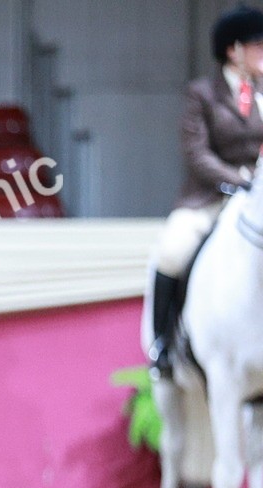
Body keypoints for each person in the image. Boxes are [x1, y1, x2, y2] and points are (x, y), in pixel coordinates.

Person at [147, 5, 263, 378]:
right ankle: (163, 345)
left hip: (257, 202)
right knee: (172, 252)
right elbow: (196, 153)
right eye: (259, 46)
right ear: (234, 50)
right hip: (210, 198)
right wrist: (238, 178)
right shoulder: (202, 94)